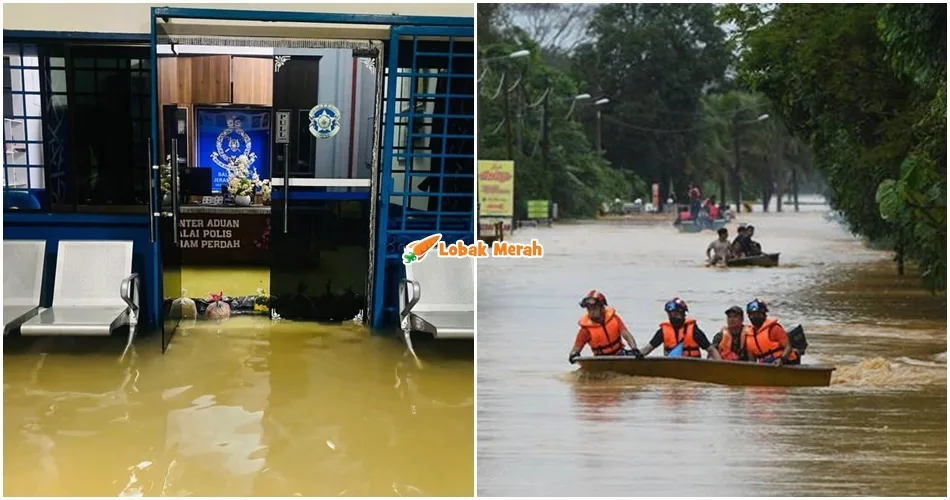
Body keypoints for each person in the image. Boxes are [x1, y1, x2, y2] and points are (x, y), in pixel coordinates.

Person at [568, 290, 642, 363]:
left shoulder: (614, 319)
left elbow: (626, 335)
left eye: (594, 308)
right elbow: (576, 348)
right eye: (589, 309)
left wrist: (634, 348)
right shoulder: (585, 330)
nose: (591, 311)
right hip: (600, 360)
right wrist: (573, 355)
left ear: (602, 308)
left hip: (620, 355)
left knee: (637, 355)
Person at [637, 298, 721, 359]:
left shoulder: (694, 331)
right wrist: (635, 354)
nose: (673, 317)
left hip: (693, 367)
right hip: (672, 366)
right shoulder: (663, 331)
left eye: (676, 314)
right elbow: (647, 349)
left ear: (684, 314)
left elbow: (711, 350)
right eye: (670, 314)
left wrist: (720, 365)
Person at [743, 299, 800, 366]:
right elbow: (752, 359)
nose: (755, 317)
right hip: (766, 365)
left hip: (786, 362)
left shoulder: (774, 328)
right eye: (752, 314)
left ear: (764, 314)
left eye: (758, 314)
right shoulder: (749, 335)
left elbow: (788, 347)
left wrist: (781, 360)